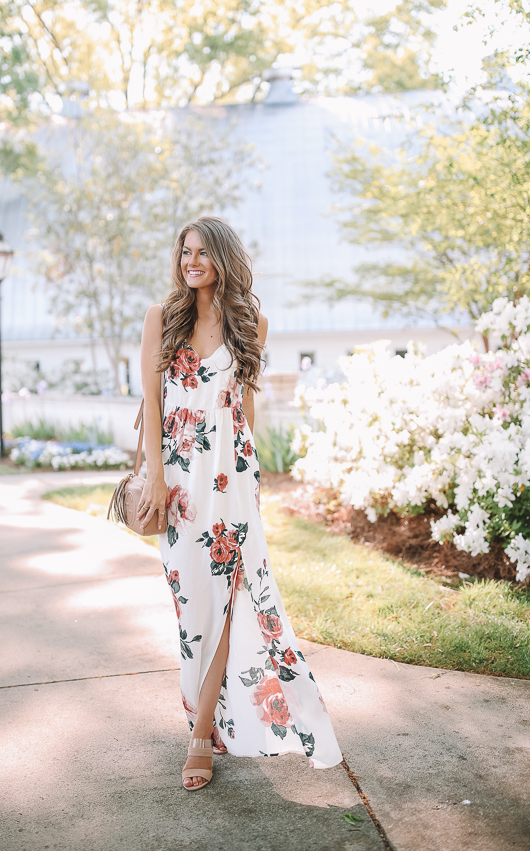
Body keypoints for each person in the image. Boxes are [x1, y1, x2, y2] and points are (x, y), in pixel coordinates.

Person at [138, 216, 342, 792]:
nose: (191, 261)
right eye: (185, 252)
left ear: (224, 257)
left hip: (230, 483)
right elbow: (151, 404)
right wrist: (156, 477)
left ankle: (201, 734)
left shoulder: (251, 322)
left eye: (202, 252)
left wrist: (251, 484)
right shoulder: (162, 318)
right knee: (191, 607)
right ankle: (208, 714)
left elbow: (246, 412)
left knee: (227, 601)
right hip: (177, 482)